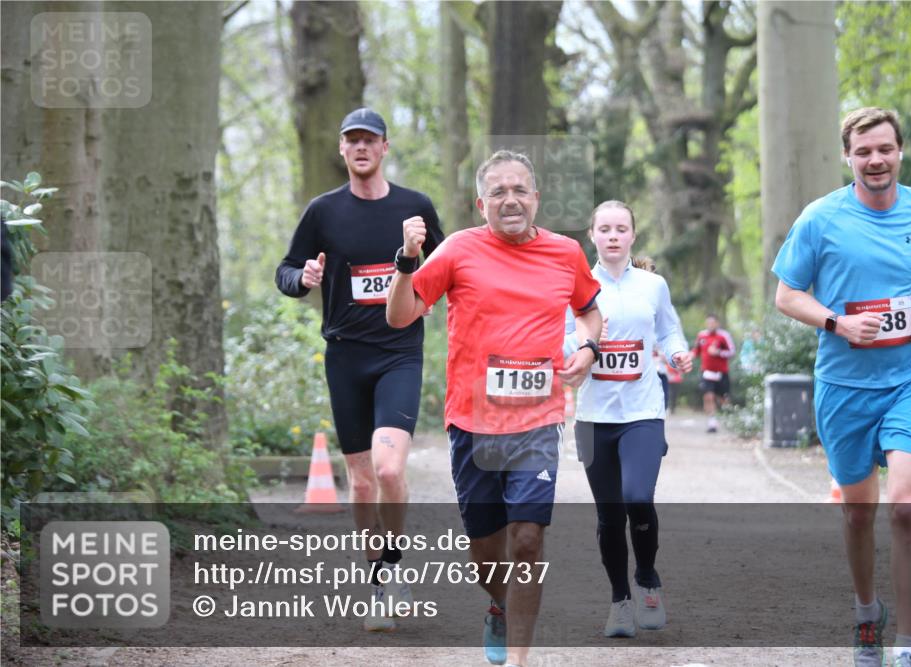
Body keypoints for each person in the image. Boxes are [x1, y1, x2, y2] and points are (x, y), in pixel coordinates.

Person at [386, 150, 602, 667]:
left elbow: (590, 311)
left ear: (536, 199)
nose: (510, 199)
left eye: (520, 190)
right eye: (498, 192)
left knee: (527, 538)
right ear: (481, 203)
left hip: (538, 419)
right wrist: (405, 261)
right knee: (486, 550)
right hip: (473, 421)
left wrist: (588, 350)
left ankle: (522, 659)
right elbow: (399, 316)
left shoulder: (564, 252)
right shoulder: (459, 250)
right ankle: (498, 605)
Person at [772, 107, 911, 667]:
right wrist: (838, 322)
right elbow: (787, 295)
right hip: (844, 383)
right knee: (858, 513)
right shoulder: (821, 218)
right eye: (863, 152)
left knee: (905, 505)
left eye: (884, 149)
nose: (875, 160)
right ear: (847, 157)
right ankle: (867, 615)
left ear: (900, 151)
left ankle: (908, 645)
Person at [275, 107, 445, 632]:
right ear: (342, 150)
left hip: (399, 352)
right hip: (346, 355)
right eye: (352, 140)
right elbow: (284, 270)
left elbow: (449, 270)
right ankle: (376, 578)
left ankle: (394, 570)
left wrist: (421, 270)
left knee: (391, 469)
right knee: (362, 482)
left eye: (370, 139)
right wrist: (302, 278)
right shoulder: (323, 212)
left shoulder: (415, 207)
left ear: (386, 148)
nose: (361, 147)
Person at [564, 200, 693, 638]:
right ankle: (619, 601)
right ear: (592, 235)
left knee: (638, 496)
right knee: (608, 515)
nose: (613, 235)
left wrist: (677, 350)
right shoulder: (576, 284)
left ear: (633, 236)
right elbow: (562, 335)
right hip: (594, 415)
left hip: (642, 411)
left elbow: (669, 328)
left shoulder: (653, 285)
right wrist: (575, 353)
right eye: (605, 229)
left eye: (621, 228)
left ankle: (648, 578)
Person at [691, 314, 735, 432]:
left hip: (721, 373)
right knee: (708, 396)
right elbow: (696, 350)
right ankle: (712, 423)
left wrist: (718, 352)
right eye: (708, 323)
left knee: (723, 399)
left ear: (717, 323)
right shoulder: (702, 335)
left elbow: (732, 352)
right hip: (707, 372)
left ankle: (729, 420)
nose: (710, 325)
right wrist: (689, 356)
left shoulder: (723, 336)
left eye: (712, 323)